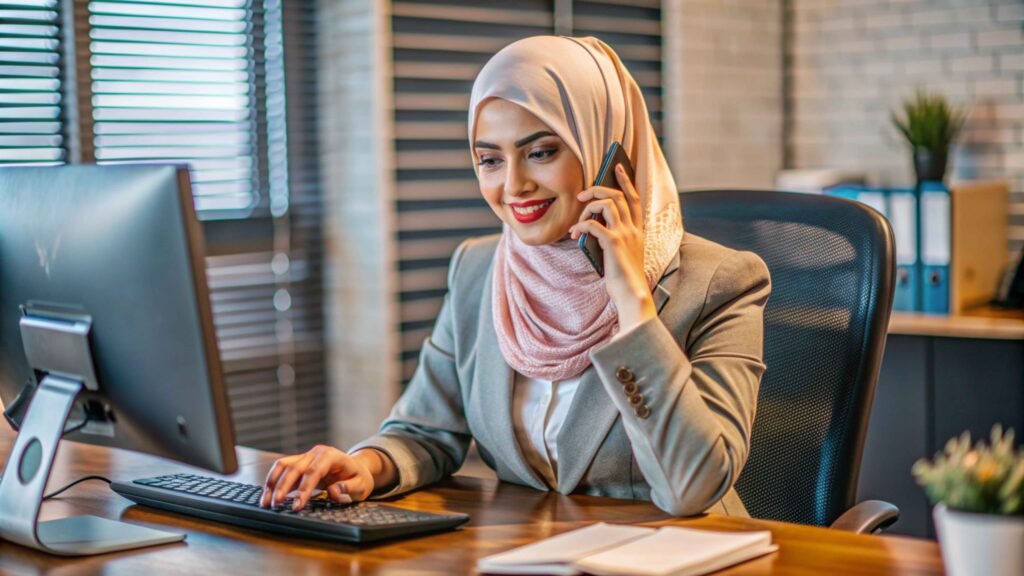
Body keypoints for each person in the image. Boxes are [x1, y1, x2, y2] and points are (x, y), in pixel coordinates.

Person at [260, 36, 771, 517]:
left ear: (605, 150)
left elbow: (694, 487)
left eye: (541, 151)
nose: (514, 185)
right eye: (489, 160)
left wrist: (633, 301)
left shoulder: (722, 283)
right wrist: (365, 467)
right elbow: (425, 431)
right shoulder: (479, 270)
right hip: (532, 554)